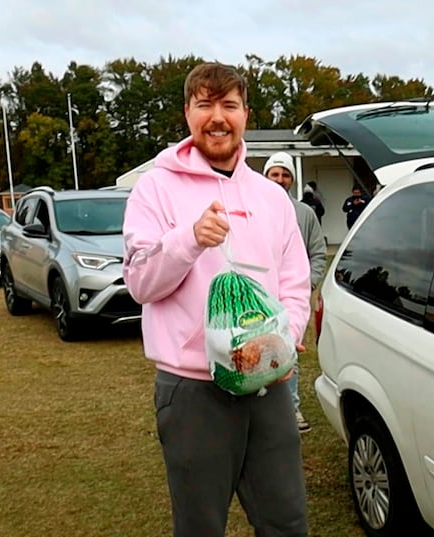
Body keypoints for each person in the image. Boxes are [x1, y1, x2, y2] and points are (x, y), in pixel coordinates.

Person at [123, 62, 311, 537]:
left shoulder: (271, 197)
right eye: (205, 104)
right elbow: (141, 282)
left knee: (286, 521)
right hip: (193, 393)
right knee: (200, 526)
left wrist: (283, 343)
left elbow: (294, 281)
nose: (218, 117)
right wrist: (188, 238)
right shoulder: (155, 189)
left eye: (229, 105)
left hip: (267, 387)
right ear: (187, 113)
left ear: (246, 113)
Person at [263, 151, 327, 433]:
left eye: (285, 174)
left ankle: (292, 409)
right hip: (259, 298)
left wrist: (306, 285)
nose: (280, 179)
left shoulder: (305, 214)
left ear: (292, 179)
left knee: (289, 351)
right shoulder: (253, 208)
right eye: (274, 174)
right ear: (266, 176)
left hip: (291, 300)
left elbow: (318, 253)